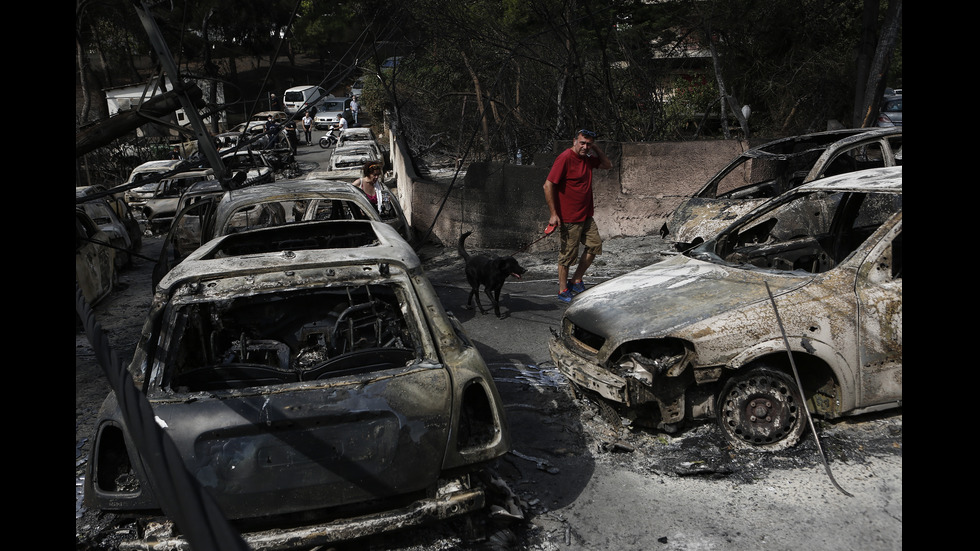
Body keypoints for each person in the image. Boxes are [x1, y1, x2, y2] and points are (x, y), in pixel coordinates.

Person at [543, 129, 613, 303]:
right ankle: (562, 289)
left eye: (588, 144)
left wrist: (595, 149)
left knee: (595, 245)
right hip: (569, 217)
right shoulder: (565, 157)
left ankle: (576, 279)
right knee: (567, 255)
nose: (585, 147)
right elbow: (547, 185)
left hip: (586, 215)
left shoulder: (587, 159)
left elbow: (607, 165)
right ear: (574, 141)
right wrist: (553, 215)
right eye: (582, 143)